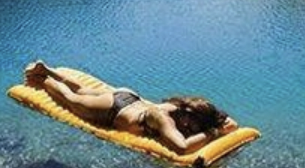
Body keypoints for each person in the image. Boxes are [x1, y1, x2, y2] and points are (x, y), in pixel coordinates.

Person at [24, 62, 238, 154]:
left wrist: (218, 126)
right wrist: (214, 133)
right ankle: (42, 78)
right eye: (192, 125)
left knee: (81, 89)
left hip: (127, 97)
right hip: (112, 110)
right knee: (71, 98)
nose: (192, 128)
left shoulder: (181, 106)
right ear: (187, 117)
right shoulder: (163, 118)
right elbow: (181, 147)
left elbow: (228, 122)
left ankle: (48, 68)